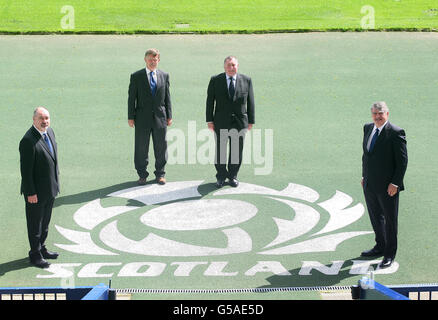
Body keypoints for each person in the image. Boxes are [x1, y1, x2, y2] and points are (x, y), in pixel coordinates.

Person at [360, 101, 408, 269]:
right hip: (370, 184)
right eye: (375, 114)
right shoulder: (367, 128)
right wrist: (364, 176)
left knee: (390, 220)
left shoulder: (396, 133)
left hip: (388, 187)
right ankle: (380, 246)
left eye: (381, 114)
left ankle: (389, 254)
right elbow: (366, 156)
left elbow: (402, 162)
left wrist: (395, 183)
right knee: (375, 217)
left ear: (387, 114)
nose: (378, 117)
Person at [19, 107, 60, 268]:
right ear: (34, 120)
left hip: (50, 189)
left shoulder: (49, 132)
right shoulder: (28, 141)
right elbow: (26, 171)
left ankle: (42, 248)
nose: (45, 121)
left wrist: (56, 184)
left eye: (47, 118)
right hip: (35, 193)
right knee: (35, 224)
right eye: (41, 118)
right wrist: (30, 192)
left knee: (45, 223)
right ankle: (35, 255)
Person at [206, 56, 255, 188]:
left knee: (236, 150)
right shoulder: (215, 80)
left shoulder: (246, 80)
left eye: (233, 65)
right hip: (221, 121)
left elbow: (250, 101)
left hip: (239, 122)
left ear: (237, 66)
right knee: (220, 150)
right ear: (224, 67)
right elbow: (210, 101)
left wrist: (251, 121)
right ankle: (221, 176)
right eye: (229, 65)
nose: (231, 68)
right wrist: (209, 120)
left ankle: (233, 176)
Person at [128, 48, 172, 185]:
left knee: (161, 147)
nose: (153, 62)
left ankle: (160, 174)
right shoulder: (136, 76)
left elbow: (167, 97)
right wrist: (130, 117)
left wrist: (169, 116)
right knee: (141, 147)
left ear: (158, 60)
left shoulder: (164, 75)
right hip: (142, 118)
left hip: (160, 118)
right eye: (150, 59)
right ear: (145, 60)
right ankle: (142, 174)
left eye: (155, 59)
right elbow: (131, 98)